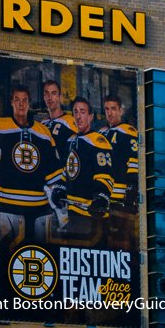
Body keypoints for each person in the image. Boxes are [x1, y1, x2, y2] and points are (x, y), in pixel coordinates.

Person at [0, 84, 65, 250]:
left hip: (38, 210)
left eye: (25, 100)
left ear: (29, 104)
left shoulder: (42, 132)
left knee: (36, 255)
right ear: (11, 103)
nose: (21, 104)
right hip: (7, 206)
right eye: (17, 100)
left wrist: (58, 193)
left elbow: (53, 171)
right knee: (5, 259)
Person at [49, 96, 114, 247]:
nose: (78, 116)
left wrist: (101, 197)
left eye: (83, 112)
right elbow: (67, 173)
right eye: (75, 112)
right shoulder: (70, 141)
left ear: (90, 116)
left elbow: (105, 177)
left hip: (92, 216)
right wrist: (59, 188)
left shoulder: (98, 141)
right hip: (73, 214)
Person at [98, 95, 140, 250]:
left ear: (121, 110)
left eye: (113, 109)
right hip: (103, 197)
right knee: (103, 238)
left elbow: (134, 162)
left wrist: (131, 189)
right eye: (107, 109)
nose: (110, 113)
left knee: (121, 237)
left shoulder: (128, 131)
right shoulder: (101, 134)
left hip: (120, 197)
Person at [41, 80, 78, 166]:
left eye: (53, 93)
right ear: (44, 97)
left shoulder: (70, 121)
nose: (50, 97)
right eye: (47, 93)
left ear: (60, 97)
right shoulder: (42, 124)